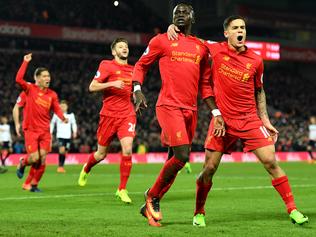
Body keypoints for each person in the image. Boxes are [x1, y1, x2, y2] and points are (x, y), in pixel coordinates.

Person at [167, 15, 308, 226]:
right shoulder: (215, 49)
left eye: (242, 27)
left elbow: (260, 91)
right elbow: (191, 40)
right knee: (209, 169)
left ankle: (293, 210)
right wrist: (174, 28)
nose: (240, 30)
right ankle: (199, 212)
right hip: (223, 121)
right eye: (235, 27)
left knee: (270, 161)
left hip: (250, 119)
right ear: (226, 33)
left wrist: (266, 120)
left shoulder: (256, 60)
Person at [132, 3, 224, 227]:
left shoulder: (201, 47)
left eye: (184, 12)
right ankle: (152, 195)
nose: (180, 15)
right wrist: (136, 89)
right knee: (182, 156)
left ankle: (150, 207)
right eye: (176, 13)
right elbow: (141, 65)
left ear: (193, 17)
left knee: (175, 160)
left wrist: (215, 110)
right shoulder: (161, 40)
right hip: (168, 106)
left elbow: (205, 83)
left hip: (191, 110)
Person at [78, 38, 136, 204]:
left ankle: (122, 189)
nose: (124, 48)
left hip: (127, 114)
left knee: (127, 150)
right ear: (113, 51)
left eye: (126, 46)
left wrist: (138, 100)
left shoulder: (133, 70)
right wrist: (112, 83)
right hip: (108, 116)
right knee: (101, 154)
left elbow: (133, 91)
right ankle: (87, 168)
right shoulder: (106, 65)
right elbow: (92, 86)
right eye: (120, 46)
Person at [15, 53, 68, 192]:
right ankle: (22, 162)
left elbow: (56, 108)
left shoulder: (52, 94)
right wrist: (25, 62)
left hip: (45, 130)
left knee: (42, 159)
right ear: (37, 78)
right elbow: (18, 79)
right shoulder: (30, 89)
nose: (47, 78)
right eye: (44, 76)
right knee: (34, 158)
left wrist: (63, 117)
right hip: (31, 129)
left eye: (48, 76)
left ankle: (33, 184)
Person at [50, 100, 78, 173]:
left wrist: (74, 132)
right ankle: (60, 167)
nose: (62, 108)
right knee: (61, 150)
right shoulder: (56, 114)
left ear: (67, 107)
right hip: (60, 135)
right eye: (61, 106)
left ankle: (62, 166)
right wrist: (50, 132)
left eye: (64, 106)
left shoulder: (71, 115)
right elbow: (52, 123)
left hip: (68, 136)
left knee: (65, 151)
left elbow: (74, 124)